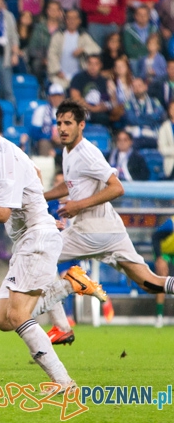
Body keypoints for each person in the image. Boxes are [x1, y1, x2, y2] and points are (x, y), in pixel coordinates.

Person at [0, 100, 105, 391]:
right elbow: (35, 182)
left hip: (36, 240)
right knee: (2, 319)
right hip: (31, 238)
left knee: (17, 315)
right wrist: (40, 214)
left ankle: (64, 382)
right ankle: (68, 285)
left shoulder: (4, 160)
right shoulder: (2, 154)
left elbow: (1, 212)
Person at [42, 100, 174, 342]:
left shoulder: (87, 153)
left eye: (68, 123)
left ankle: (63, 318)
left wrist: (77, 205)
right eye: (59, 123)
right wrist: (42, 195)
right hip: (110, 230)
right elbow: (69, 185)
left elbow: (117, 188)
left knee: (39, 254)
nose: (62, 128)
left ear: (81, 125)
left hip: (92, 230)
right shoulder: (67, 151)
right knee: (149, 282)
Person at [47, 9, 102, 89]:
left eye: (74, 18)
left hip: (79, 78)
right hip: (60, 77)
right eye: (69, 18)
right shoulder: (58, 36)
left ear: (79, 21)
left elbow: (97, 49)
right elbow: (52, 54)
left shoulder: (84, 36)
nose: (71, 21)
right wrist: (57, 71)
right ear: (65, 20)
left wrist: (83, 49)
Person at [124, 77, 166, 149]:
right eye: (134, 87)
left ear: (145, 87)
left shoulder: (154, 102)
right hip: (137, 137)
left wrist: (141, 117)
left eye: (139, 86)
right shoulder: (128, 104)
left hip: (153, 135)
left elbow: (160, 115)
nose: (137, 89)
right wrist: (150, 117)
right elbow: (132, 119)